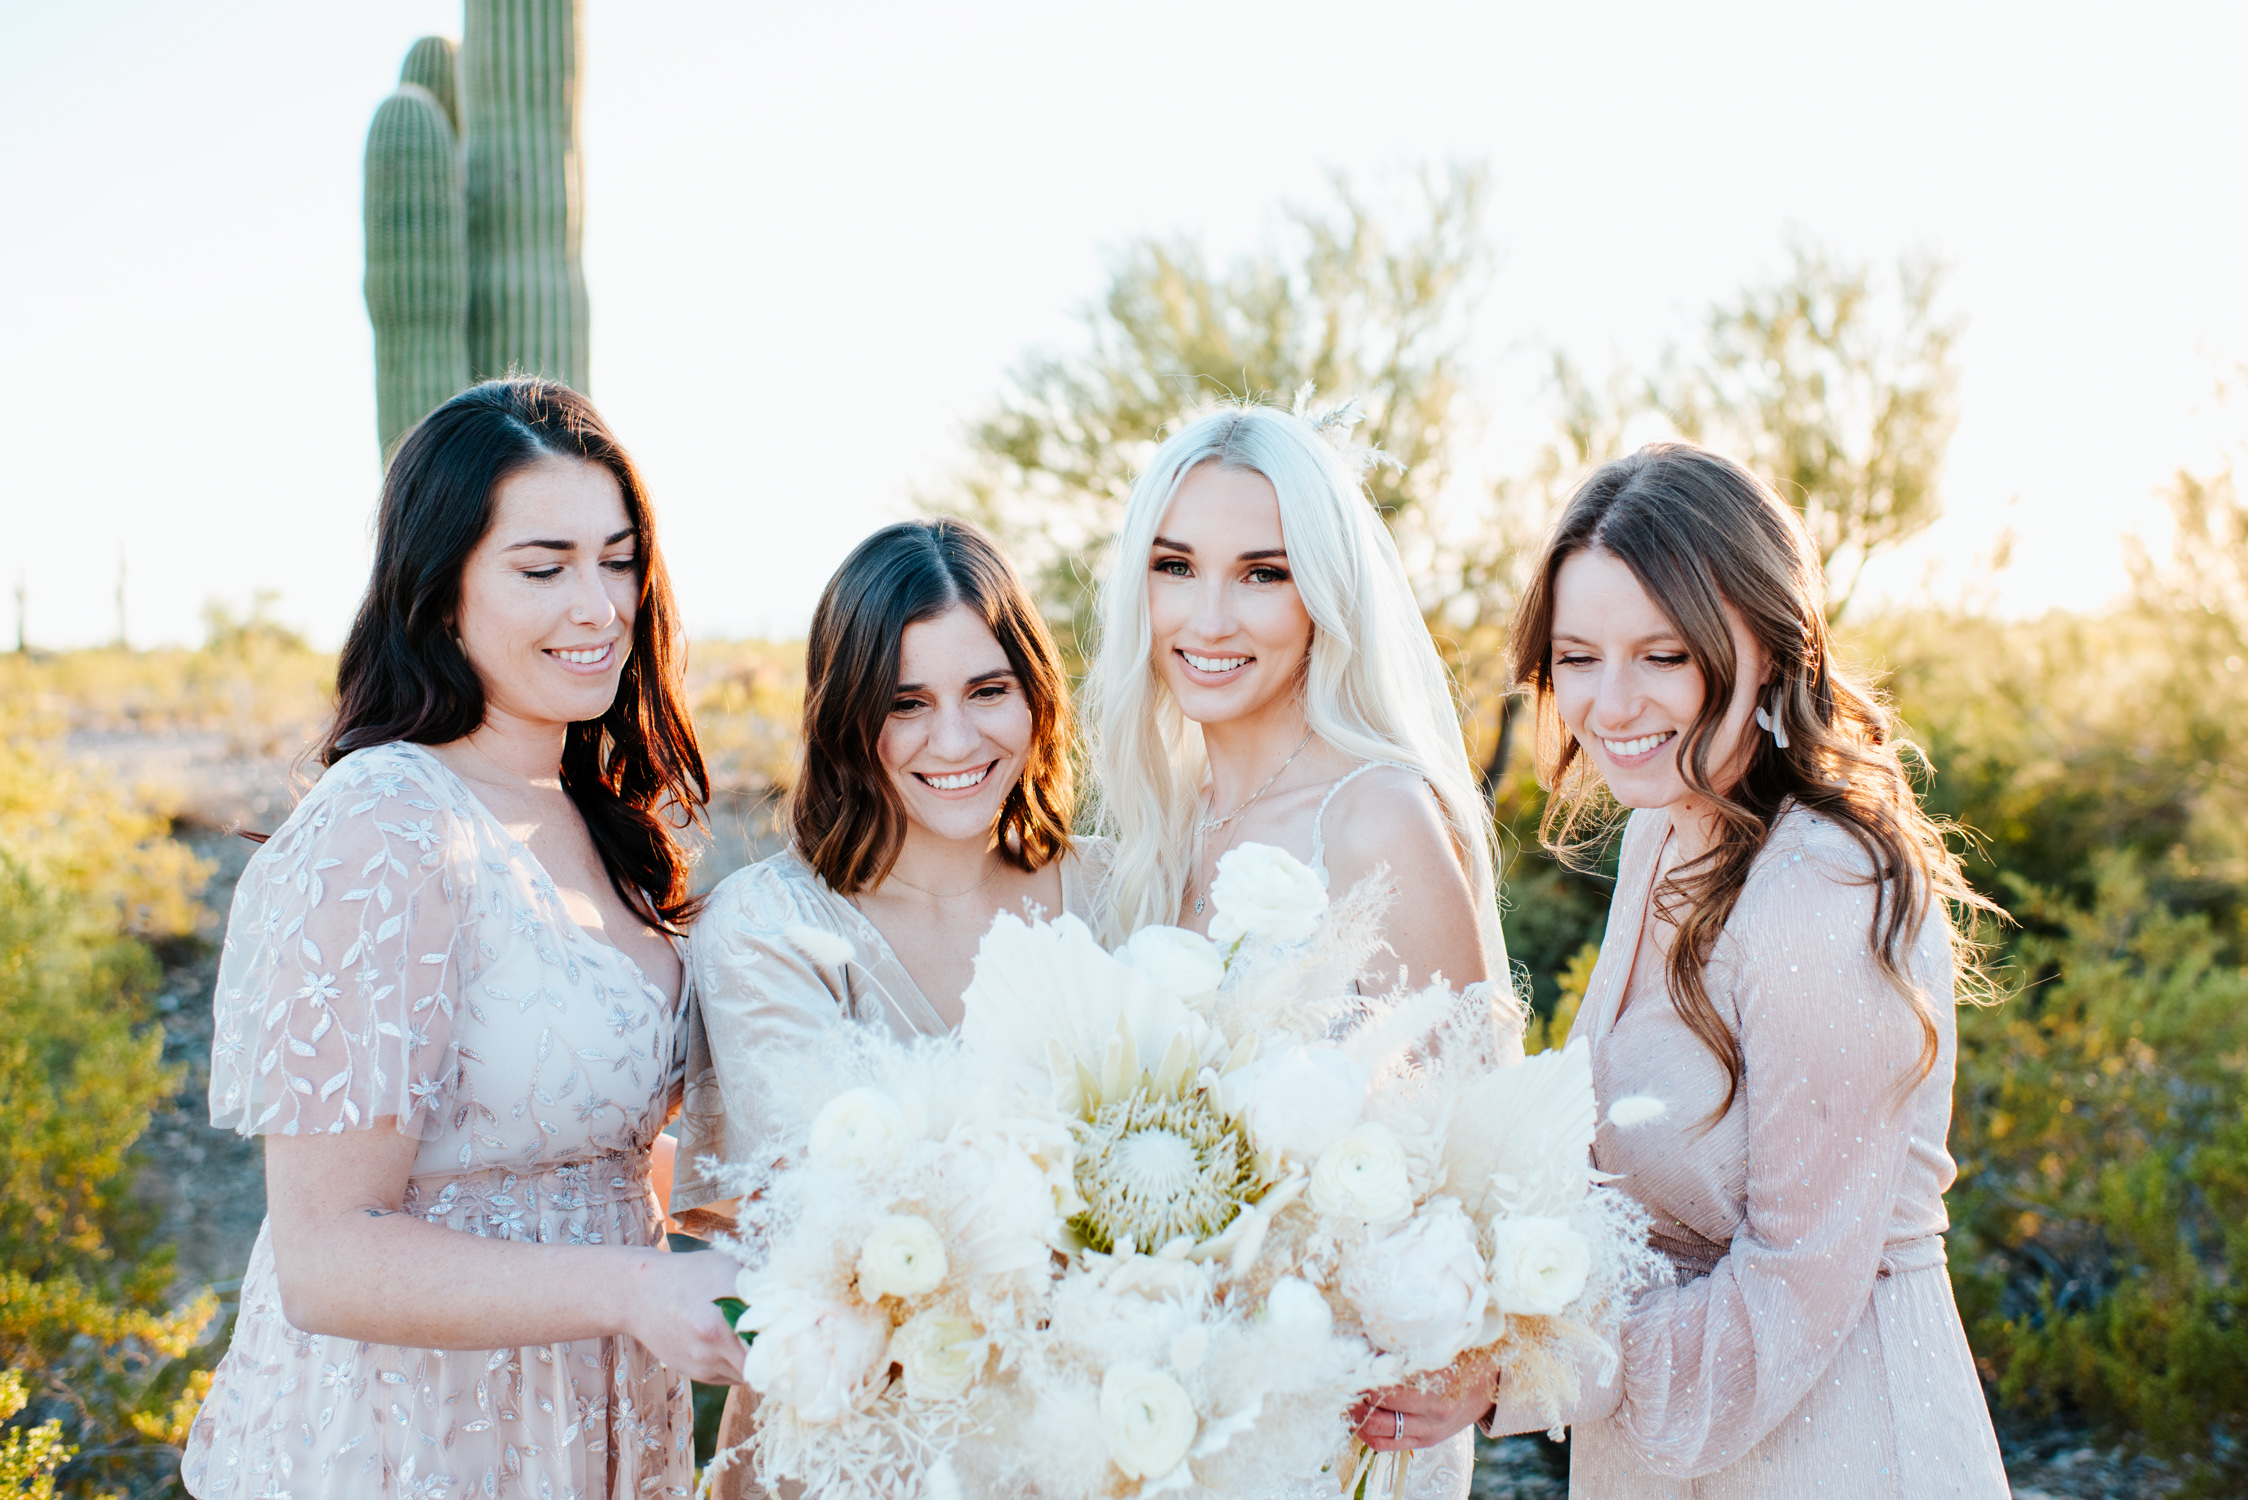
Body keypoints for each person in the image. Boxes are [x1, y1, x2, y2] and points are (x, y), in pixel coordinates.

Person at [182, 379, 743, 1500]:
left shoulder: (593, 818)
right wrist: (633, 1291)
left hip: (589, 1425)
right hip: (407, 1442)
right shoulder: (385, 827)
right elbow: (329, 1257)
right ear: (440, 593)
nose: (599, 606)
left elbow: (568, 1153)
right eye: (544, 568)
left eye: (618, 560)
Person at [1446, 442, 2009, 1495]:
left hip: (1829, 1446)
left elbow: (1794, 1285)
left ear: (1768, 644)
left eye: (1663, 656)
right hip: (1673, 1444)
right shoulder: (1668, 828)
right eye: (1577, 656)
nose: (1610, 705)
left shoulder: (1819, 893)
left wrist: (1511, 1375)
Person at [1085, 401, 1524, 1500]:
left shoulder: (1374, 817)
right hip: (1164, 1419)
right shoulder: (1160, 833)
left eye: (1262, 574)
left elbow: (1487, 1163)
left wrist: (1463, 1367)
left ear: (1324, 595)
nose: (1210, 615)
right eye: (1176, 566)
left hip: (1338, 1433)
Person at [672, 517, 1107, 1498]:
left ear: (1036, 695)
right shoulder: (766, 930)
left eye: (988, 691)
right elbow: (835, 1240)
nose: (955, 740)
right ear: (844, 720)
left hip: (1092, 1444)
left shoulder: (1121, 896)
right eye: (904, 704)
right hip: (854, 1454)